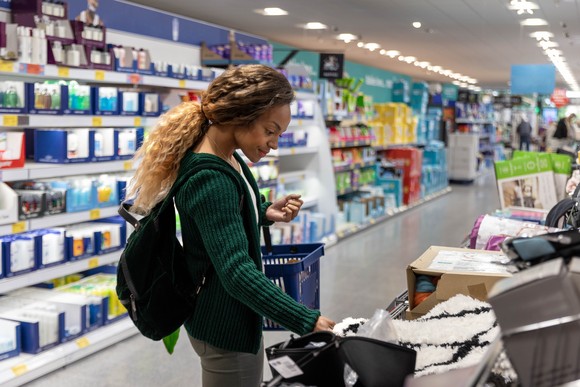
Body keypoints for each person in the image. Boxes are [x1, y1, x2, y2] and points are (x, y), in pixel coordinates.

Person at [126, 64, 335, 387]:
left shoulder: (226, 155)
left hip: (233, 316)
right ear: (242, 114)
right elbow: (236, 271)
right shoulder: (210, 177)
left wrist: (264, 211)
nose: (275, 143)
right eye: (270, 130)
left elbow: (221, 219)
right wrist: (306, 319)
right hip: (225, 326)